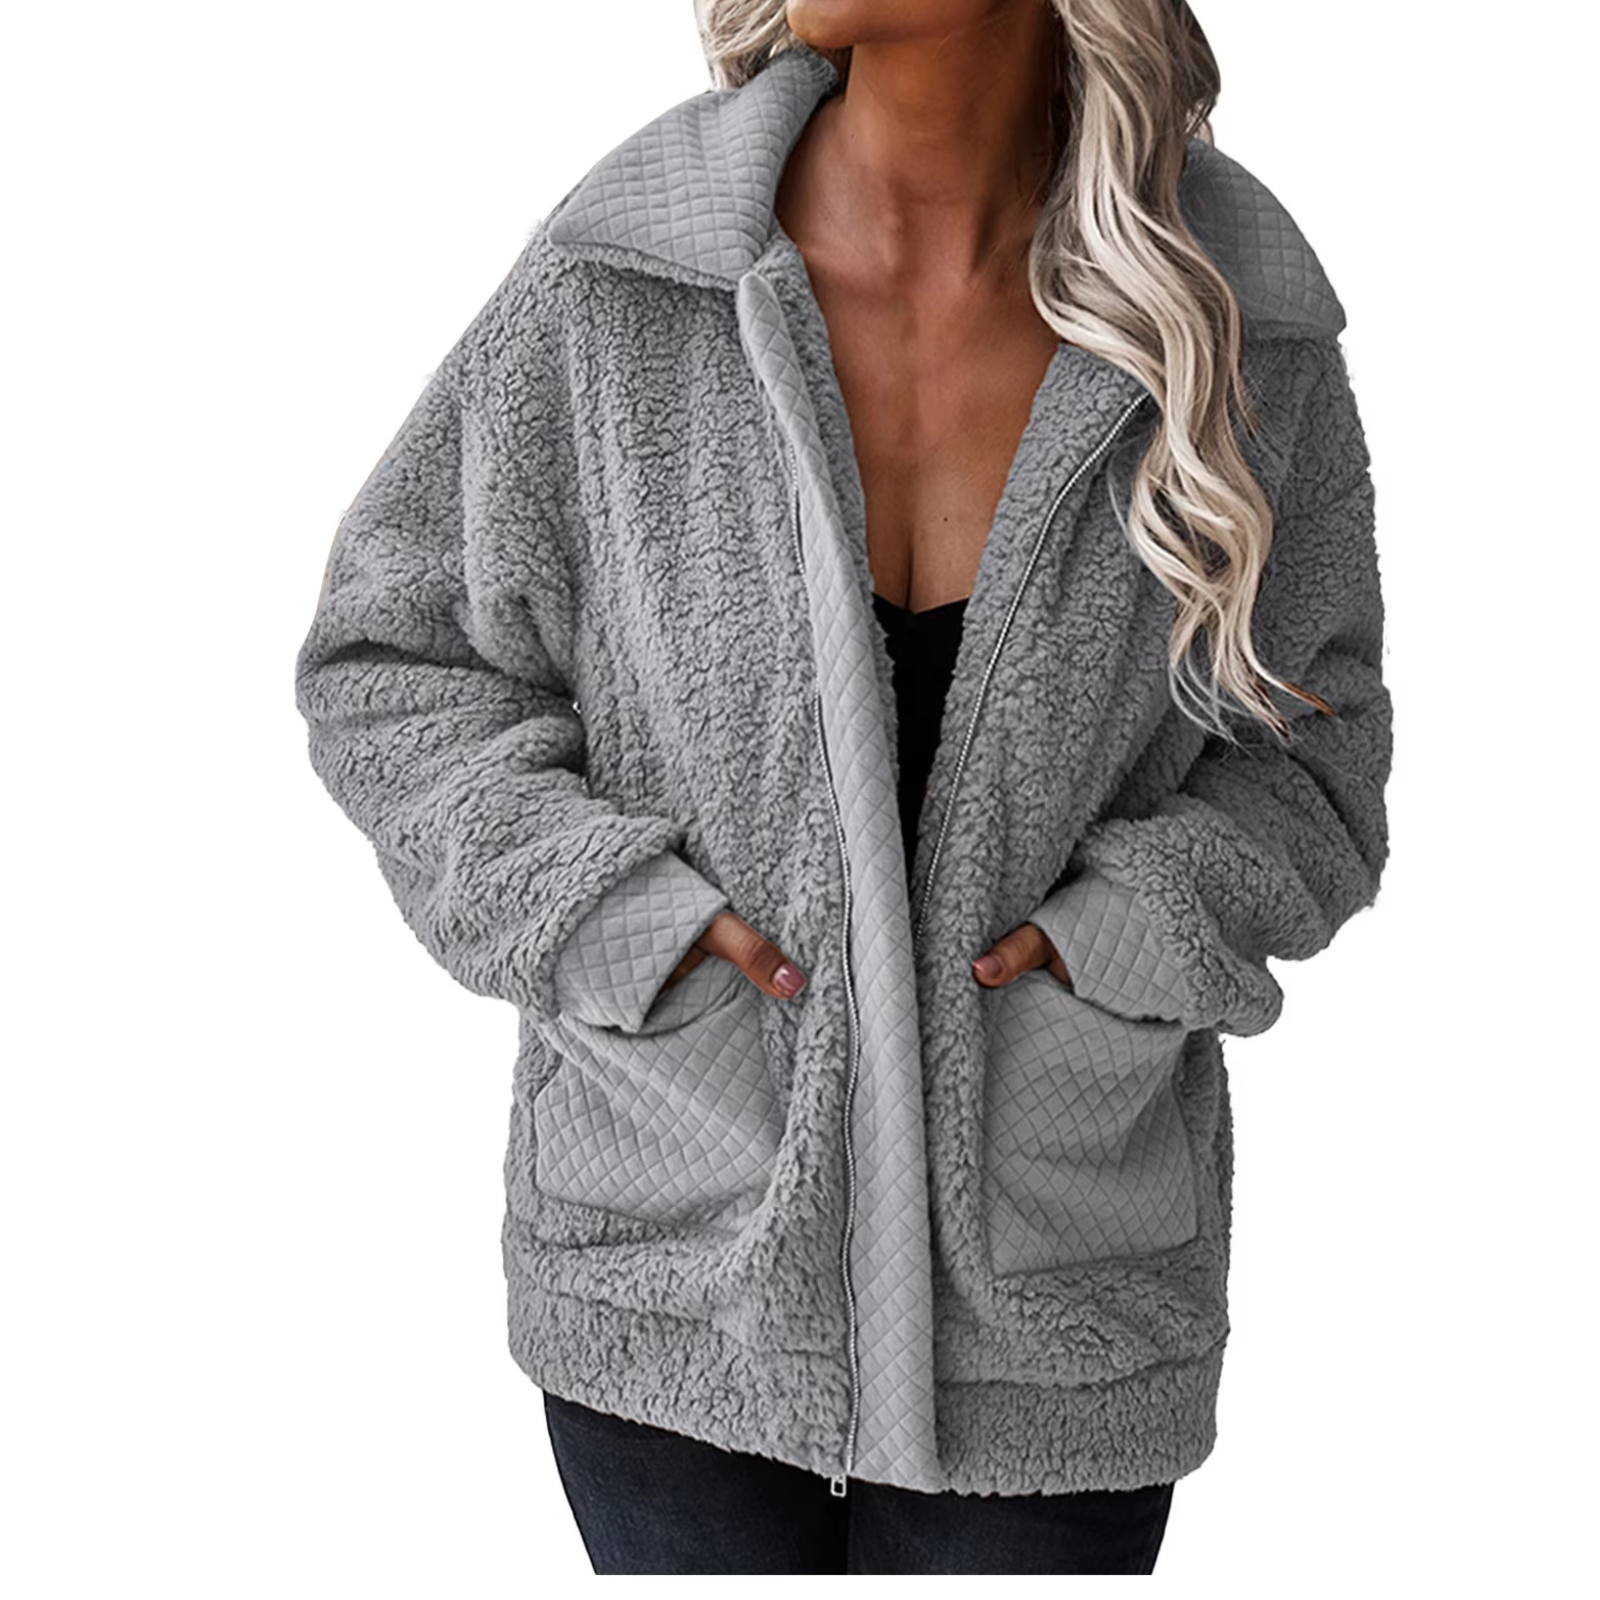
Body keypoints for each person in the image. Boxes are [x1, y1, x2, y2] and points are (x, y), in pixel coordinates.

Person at [293, 0, 1392, 1576]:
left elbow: (1313, 748)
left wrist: (1121, 946)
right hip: (682, 1253)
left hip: (1053, 1291)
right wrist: (617, 919)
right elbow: (393, 658)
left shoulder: (1227, 322)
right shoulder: (633, 275)